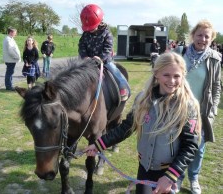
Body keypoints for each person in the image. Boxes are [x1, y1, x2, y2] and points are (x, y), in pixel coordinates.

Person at [84, 52, 201, 194]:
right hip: (144, 169)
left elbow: (190, 146)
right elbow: (126, 128)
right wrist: (98, 145)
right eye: (166, 75)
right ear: (156, 73)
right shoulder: (142, 100)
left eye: (177, 76)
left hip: (168, 173)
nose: (172, 81)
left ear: (183, 76)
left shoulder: (188, 106)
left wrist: (170, 176)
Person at [177, 20, 222, 194]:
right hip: (179, 109)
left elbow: (216, 87)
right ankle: (177, 177)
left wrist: (213, 110)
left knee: (198, 147)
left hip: (201, 113)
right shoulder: (181, 52)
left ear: (211, 39)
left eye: (206, 36)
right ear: (193, 35)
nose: (202, 39)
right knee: (178, 144)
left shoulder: (214, 58)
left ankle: (193, 178)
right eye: (199, 35)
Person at [78, 4, 130, 101]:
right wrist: (84, 56)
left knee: (116, 72)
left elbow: (108, 48)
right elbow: (81, 46)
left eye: (92, 27)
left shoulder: (107, 34)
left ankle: (124, 88)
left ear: (100, 22)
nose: (90, 30)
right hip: (88, 61)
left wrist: (100, 58)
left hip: (104, 61)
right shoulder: (85, 34)